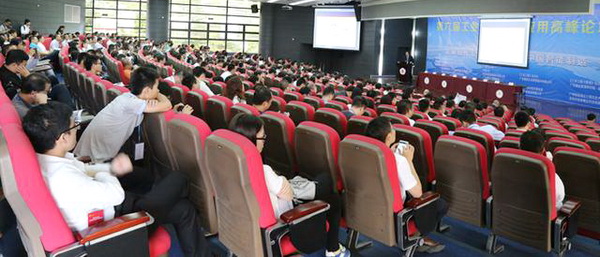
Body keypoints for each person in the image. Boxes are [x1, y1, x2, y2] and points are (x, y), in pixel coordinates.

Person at [22, 102, 210, 257]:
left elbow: (85, 169)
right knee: (179, 178)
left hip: (107, 210)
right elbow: (116, 194)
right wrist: (109, 172)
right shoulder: (64, 178)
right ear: (62, 138)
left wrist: (110, 168)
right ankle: (173, 200)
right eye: (74, 126)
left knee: (184, 209)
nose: (77, 129)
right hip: (115, 229)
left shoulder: (46, 159)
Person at [229, 115, 349, 257]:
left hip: (246, 226)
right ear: (251, 139)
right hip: (282, 224)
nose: (264, 142)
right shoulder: (262, 170)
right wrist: (281, 180)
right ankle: (333, 249)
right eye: (262, 137)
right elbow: (288, 195)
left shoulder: (230, 164)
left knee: (322, 182)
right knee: (333, 198)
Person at [364, 117, 446, 253]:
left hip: (367, 206)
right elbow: (418, 193)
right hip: (394, 216)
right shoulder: (398, 160)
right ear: (389, 136)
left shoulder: (363, 152)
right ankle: (416, 238)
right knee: (440, 204)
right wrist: (408, 161)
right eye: (393, 129)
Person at [74, 67, 172, 162]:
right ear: (146, 90)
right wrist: (158, 95)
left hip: (88, 154)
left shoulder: (126, 97)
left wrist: (152, 98)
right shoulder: (133, 104)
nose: (158, 90)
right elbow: (168, 105)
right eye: (156, 87)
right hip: (90, 161)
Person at [519, 129, 565, 210]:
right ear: (543, 150)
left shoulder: (506, 167)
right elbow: (558, 200)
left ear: (519, 147)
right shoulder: (551, 177)